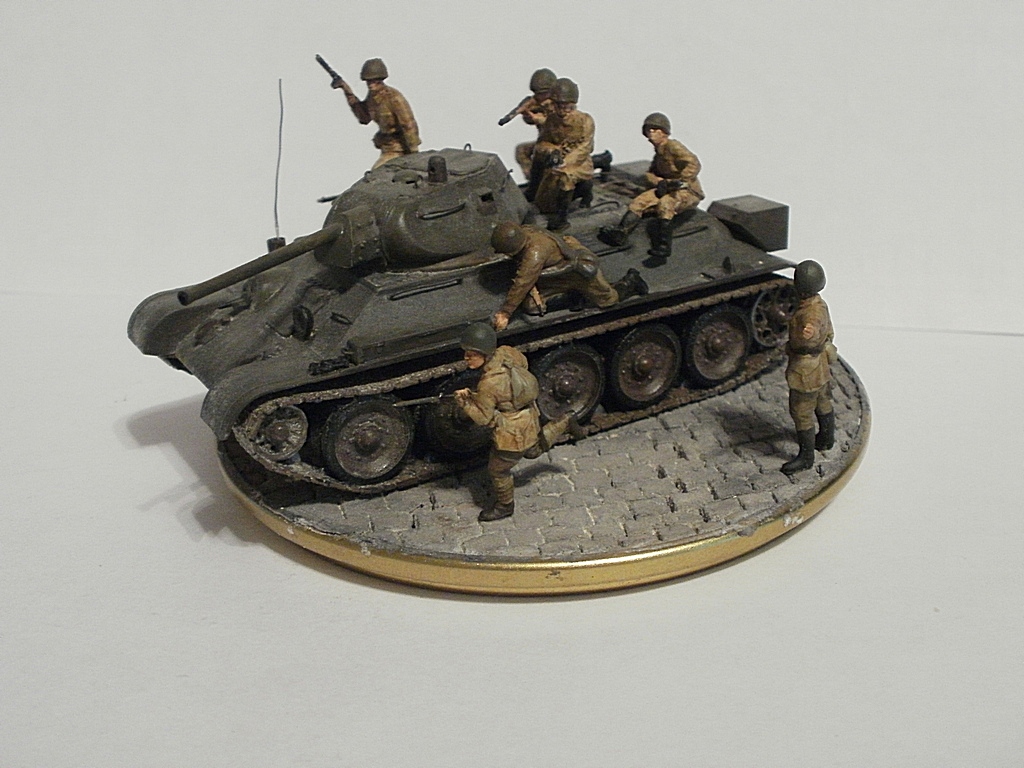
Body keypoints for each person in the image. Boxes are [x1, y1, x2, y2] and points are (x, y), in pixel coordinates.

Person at [453, 323, 583, 521]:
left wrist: (465, 402)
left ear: (484, 354)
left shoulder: (488, 384)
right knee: (532, 450)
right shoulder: (507, 352)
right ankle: (565, 421)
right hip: (529, 415)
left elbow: (483, 418)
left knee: (498, 470)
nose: (466, 358)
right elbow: (523, 364)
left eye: (471, 354)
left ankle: (505, 506)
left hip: (511, 429)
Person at [488, 222, 648, 331]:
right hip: (557, 269)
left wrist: (505, 312)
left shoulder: (534, 254)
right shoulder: (525, 230)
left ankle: (631, 282)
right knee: (532, 306)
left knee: (608, 300)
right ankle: (574, 296)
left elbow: (523, 281)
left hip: (576, 270)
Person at [598, 112, 704, 263]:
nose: (651, 133)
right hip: (666, 187)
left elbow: (693, 163)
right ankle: (621, 232)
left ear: (664, 132)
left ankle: (663, 246)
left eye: (655, 130)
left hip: (686, 190)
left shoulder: (673, 146)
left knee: (665, 205)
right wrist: (658, 182)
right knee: (639, 202)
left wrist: (680, 181)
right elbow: (651, 173)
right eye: (649, 130)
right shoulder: (659, 153)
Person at [781, 260, 837, 474]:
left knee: (801, 411)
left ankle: (806, 458)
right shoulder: (819, 304)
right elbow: (829, 331)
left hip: (806, 368)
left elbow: (807, 340)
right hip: (819, 366)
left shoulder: (809, 315)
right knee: (822, 401)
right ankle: (826, 438)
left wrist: (804, 336)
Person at [528, 78, 595, 230]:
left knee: (566, 176)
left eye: (568, 107)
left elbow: (585, 148)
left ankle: (562, 218)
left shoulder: (585, 120)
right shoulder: (551, 120)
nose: (563, 111)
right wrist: (552, 151)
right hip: (557, 161)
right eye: (558, 106)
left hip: (579, 163)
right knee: (543, 201)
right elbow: (543, 142)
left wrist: (565, 162)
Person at [332, 58, 420, 169]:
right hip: (386, 147)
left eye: (374, 81)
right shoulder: (372, 97)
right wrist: (347, 91)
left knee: (378, 172)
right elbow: (364, 117)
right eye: (368, 82)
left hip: (399, 148)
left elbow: (408, 124)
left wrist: (414, 152)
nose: (370, 85)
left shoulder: (394, 98)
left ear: (381, 80)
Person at [498, 68, 557, 179]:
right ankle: (533, 178)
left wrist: (540, 117)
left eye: (544, 93)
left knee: (544, 155)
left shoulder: (561, 105)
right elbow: (530, 121)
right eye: (538, 94)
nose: (540, 97)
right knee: (521, 150)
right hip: (544, 141)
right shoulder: (536, 103)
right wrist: (528, 116)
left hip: (561, 143)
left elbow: (557, 123)